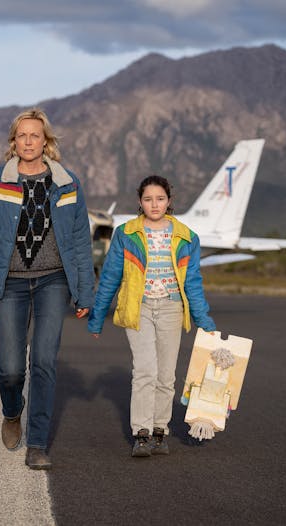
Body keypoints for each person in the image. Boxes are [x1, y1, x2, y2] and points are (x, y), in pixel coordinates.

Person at [0, 108, 95, 470]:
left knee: (43, 362)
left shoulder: (67, 183)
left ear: (46, 141)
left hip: (55, 279)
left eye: (35, 135)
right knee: (10, 369)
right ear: (13, 141)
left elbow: (81, 241)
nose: (28, 141)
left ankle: (37, 443)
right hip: (10, 283)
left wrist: (86, 291)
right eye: (22, 136)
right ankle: (11, 410)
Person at [88, 175, 216, 457]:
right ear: (140, 202)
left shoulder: (186, 236)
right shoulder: (126, 233)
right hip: (139, 308)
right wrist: (97, 316)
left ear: (169, 201)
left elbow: (192, 282)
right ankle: (141, 433)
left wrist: (204, 321)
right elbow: (110, 276)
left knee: (166, 375)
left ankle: (160, 431)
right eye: (148, 199)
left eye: (160, 199)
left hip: (171, 308)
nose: (154, 204)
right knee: (145, 370)